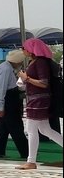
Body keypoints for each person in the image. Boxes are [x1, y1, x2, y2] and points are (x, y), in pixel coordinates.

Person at [16, 38, 63, 170]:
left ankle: (31, 161)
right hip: (36, 99)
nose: (23, 50)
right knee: (44, 129)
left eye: (24, 48)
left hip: (38, 101)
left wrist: (27, 78)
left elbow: (43, 82)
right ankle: (31, 161)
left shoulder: (40, 62)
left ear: (31, 50)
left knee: (31, 129)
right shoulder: (35, 62)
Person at [0, 49, 29, 161]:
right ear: (17, 61)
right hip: (9, 101)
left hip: (11, 98)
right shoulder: (6, 69)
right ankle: (26, 151)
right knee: (16, 126)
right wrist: (1, 107)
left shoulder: (6, 67)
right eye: (21, 62)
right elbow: (0, 89)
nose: (21, 64)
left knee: (3, 127)